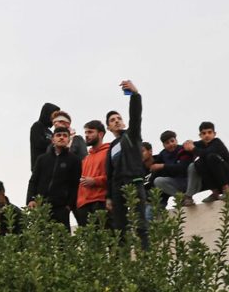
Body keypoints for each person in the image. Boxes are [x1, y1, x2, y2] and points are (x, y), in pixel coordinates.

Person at [105, 80, 149, 249]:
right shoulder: (111, 148)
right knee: (120, 229)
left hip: (134, 182)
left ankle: (146, 260)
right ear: (108, 127)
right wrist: (109, 196)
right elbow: (109, 174)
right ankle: (123, 263)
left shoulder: (132, 135)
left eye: (119, 118)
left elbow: (136, 115)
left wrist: (135, 95)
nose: (116, 121)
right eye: (112, 120)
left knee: (140, 226)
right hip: (117, 189)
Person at [26, 126, 81, 230]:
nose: (61, 138)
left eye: (65, 136)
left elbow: (75, 185)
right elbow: (33, 181)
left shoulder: (74, 160)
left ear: (69, 140)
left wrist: (69, 205)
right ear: (53, 139)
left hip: (61, 208)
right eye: (58, 135)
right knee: (40, 239)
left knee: (62, 242)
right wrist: (30, 199)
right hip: (40, 206)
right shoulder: (42, 159)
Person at [183, 121, 229, 204]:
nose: (207, 135)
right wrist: (187, 143)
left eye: (209, 132)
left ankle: (227, 191)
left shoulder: (217, 143)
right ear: (200, 135)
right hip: (217, 182)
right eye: (204, 133)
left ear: (214, 133)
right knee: (198, 163)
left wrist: (193, 149)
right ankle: (215, 193)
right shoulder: (201, 144)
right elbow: (186, 145)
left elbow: (207, 153)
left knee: (211, 157)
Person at [75, 120, 109, 227]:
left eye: (90, 132)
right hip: (83, 205)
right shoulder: (85, 159)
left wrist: (95, 181)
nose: (86, 135)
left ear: (100, 134)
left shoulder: (108, 152)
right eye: (85, 133)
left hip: (100, 202)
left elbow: (114, 177)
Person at [150, 130, 195, 206]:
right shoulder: (163, 154)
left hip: (189, 181)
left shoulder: (183, 150)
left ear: (176, 140)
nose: (171, 144)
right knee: (158, 181)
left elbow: (183, 168)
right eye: (167, 143)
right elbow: (154, 166)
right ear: (163, 145)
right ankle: (182, 198)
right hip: (176, 182)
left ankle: (188, 196)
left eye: (172, 141)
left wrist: (163, 166)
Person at [30, 103, 61, 170]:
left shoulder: (50, 132)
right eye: (54, 115)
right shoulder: (37, 126)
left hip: (50, 167)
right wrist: (54, 142)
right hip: (39, 167)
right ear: (48, 113)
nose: (55, 118)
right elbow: (39, 143)